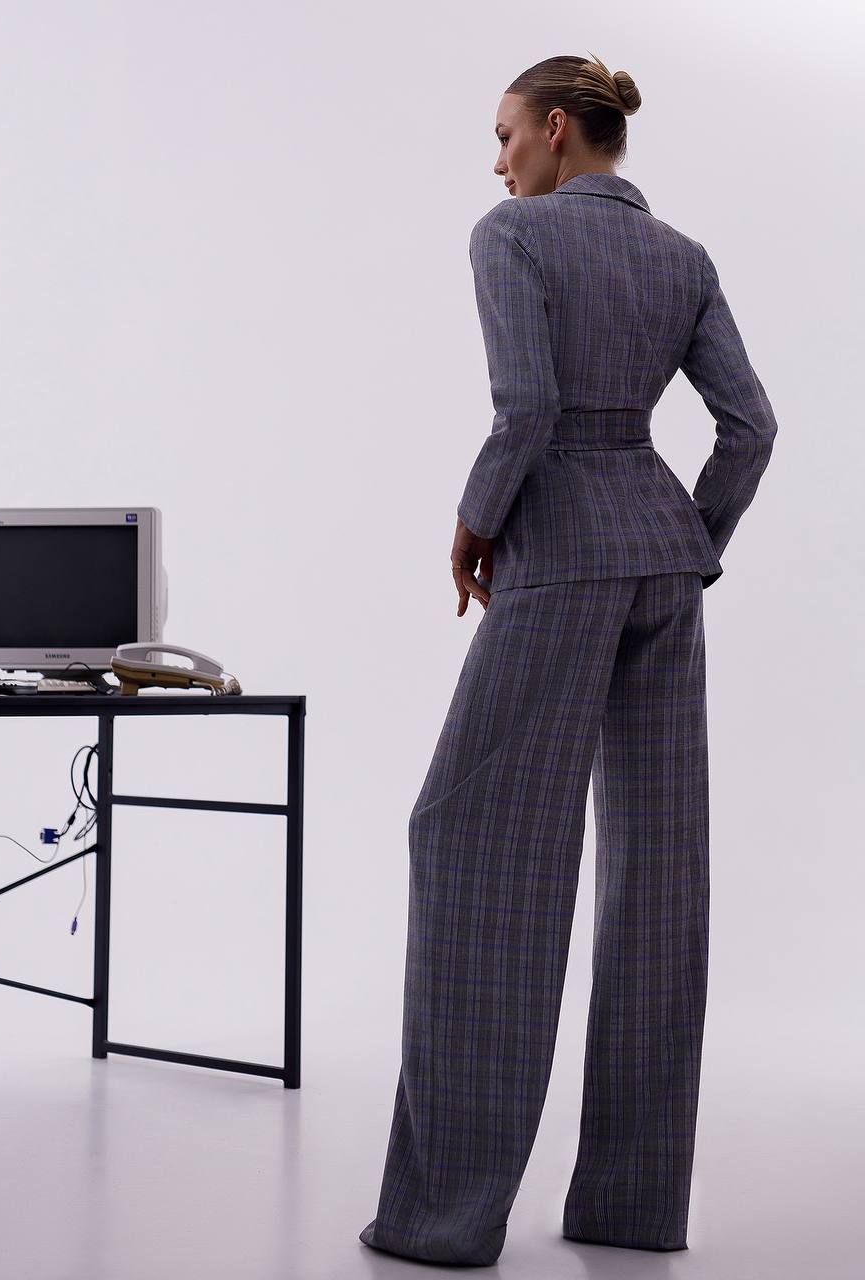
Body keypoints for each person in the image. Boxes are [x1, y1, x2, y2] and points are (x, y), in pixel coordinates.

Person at [359, 51, 778, 1266]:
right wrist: (689, 537)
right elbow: (750, 424)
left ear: (554, 130)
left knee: (472, 846)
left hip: (559, 560)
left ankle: (444, 1219)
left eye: (502, 136)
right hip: (661, 560)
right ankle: (630, 1211)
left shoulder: (513, 235)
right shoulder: (682, 256)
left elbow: (525, 408)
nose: (495, 163)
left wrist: (475, 519)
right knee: (657, 879)